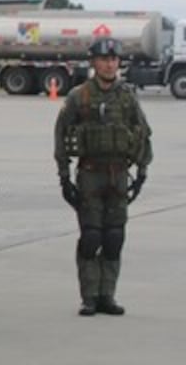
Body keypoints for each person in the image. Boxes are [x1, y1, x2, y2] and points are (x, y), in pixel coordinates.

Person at [54, 36, 152, 316]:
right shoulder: (79, 96)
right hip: (90, 175)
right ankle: (89, 297)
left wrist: (142, 171)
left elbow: (143, 132)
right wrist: (63, 177)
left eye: (113, 59)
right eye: (104, 59)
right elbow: (61, 135)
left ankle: (107, 295)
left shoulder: (127, 96)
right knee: (91, 237)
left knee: (114, 237)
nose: (110, 64)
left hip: (119, 175)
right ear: (94, 62)